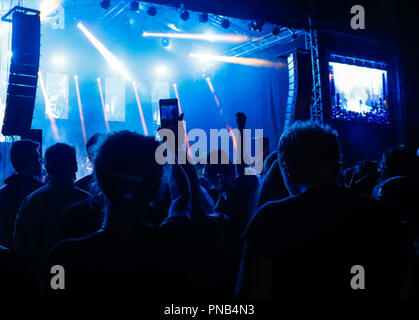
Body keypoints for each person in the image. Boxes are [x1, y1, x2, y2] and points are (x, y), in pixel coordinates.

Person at [236, 121, 409, 299]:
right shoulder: (383, 215)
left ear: (287, 167)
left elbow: (248, 298)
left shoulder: (270, 219)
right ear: (336, 162)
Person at [43, 132, 195, 299]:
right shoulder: (171, 247)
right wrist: (172, 146)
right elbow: (181, 197)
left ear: (99, 180)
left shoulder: (65, 255)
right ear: (157, 187)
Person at [13, 143, 90, 269]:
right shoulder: (87, 201)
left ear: (47, 168)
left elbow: (21, 246)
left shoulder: (32, 200)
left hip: (40, 275)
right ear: (75, 167)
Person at [0, 140, 43, 248]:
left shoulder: (3, 192)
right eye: (37, 158)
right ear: (29, 162)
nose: (40, 161)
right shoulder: (39, 192)